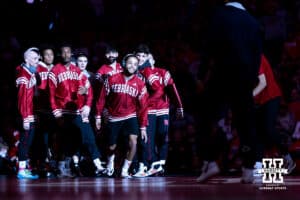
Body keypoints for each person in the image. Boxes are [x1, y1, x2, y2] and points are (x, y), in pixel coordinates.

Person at [196, 0, 263, 183]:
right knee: (245, 120)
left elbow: (210, 44)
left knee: (205, 115)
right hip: (245, 77)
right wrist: (252, 78)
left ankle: (209, 161)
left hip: (224, 72)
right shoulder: (253, 21)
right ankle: (250, 168)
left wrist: (201, 74)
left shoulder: (220, 14)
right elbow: (257, 54)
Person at [48, 43, 105, 177]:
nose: (66, 55)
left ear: (71, 54)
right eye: (64, 52)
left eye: (68, 52)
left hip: (77, 111)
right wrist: (57, 114)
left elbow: (88, 89)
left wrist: (87, 105)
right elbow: (51, 95)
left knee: (87, 137)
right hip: (62, 111)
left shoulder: (77, 71)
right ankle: (62, 167)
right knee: (64, 140)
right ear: (60, 54)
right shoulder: (55, 71)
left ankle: (97, 165)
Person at [133, 45, 184, 177]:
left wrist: (179, 106)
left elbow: (168, 89)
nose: (142, 59)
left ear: (152, 60)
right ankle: (150, 165)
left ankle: (159, 165)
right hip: (147, 111)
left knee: (162, 137)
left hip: (161, 109)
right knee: (147, 138)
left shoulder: (161, 72)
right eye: (139, 56)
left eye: (145, 57)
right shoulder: (135, 72)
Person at [95, 54, 148, 178]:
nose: (132, 66)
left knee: (133, 142)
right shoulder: (111, 79)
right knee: (111, 146)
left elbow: (143, 106)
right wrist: (98, 116)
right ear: (124, 63)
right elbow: (101, 99)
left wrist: (143, 126)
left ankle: (125, 170)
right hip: (114, 117)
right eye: (130, 63)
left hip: (131, 116)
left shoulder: (140, 84)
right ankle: (110, 162)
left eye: (135, 64)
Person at [253, 54, 296, 181]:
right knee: (258, 134)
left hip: (271, 97)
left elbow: (263, 83)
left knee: (268, 129)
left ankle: (287, 156)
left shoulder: (257, 58)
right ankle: (258, 168)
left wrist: (249, 96)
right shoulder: (243, 61)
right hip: (258, 101)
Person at [15, 47, 40, 179]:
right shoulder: (23, 75)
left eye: (38, 58)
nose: (38, 61)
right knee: (24, 142)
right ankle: (21, 169)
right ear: (27, 60)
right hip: (25, 115)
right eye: (35, 59)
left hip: (29, 114)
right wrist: (25, 117)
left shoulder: (29, 73)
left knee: (28, 142)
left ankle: (24, 167)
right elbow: (22, 99)